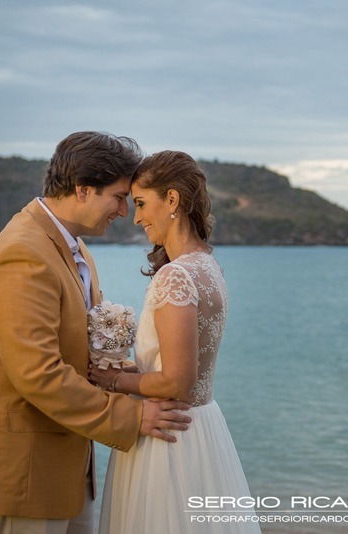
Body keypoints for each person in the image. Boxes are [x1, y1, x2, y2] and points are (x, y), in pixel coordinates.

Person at [0, 132, 192, 534]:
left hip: (65, 467)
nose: (124, 210)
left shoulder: (74, 249)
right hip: (23, 470)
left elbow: (79, 353)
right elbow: (37, 373)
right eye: (117, 196)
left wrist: (142, 378)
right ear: (82, 189)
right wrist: (133, 415)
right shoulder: (23, 252)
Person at [89, 150, 260, 533]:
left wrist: (111, 380)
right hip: (204, 428)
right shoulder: (209, 267)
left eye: (140, 203)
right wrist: (130, 368)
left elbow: (176, 383)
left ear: (171, 200)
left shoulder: (176, 277)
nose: (135, 217)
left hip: (168, 435)